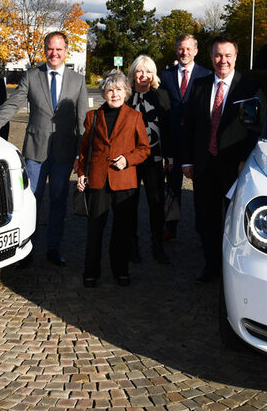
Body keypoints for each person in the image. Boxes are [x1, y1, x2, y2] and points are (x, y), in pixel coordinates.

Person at [0, 31, 89, 266]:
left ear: (66, 51)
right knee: (32, 200)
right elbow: (14, 103)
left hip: (63, 151)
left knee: (59, 200)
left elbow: (82, 120)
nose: (54, 53)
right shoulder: (32, 76)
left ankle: (53, 248)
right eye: (50, 48)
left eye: (59, 49)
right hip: (35, 151)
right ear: (45, 50)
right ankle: (26, 249)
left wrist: (82, 152)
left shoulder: (77, 80)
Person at [181, 36, 266, 282]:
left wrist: (245, 160)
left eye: (228, 55)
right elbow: (189, 126)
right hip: (204, 164)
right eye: (218, 55)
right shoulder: (199, 85)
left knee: (235, 219)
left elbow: (257, 127)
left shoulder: (250, 87)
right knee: (206, 218)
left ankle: (235, 270)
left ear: (236, 57)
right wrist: (187, 160)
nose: (223, 61)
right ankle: (212, 266)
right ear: (211, 57)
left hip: (235, 167)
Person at [76, 70, 150, 287]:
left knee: (123, 229)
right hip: (98, 179)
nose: (114, 94)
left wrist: (127, 160)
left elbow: (144, 149)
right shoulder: (93, 116)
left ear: (126, 92)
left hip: (124, 180)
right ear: (104, 92)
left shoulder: (135, 117)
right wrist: (81, 173)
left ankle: (121, 270)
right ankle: (91, 271)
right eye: (110, 90)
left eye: (118, 89)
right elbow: (84, 150)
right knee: (95, 228)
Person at [158, 34, 212, 241]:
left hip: (196, 143)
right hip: (172, 142)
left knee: (201, 191)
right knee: (172, 188)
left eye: (188, 49)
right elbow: (162, 110)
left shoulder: (206, 75)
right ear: (176, 49)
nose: (184, 52)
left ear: (196, 51)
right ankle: (171, 227)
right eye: (181, 48)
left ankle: (201, 231)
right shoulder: (165, 75)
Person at [126, 55, 171, 264]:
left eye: (148, 71)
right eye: (139, 71)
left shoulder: (161, 96)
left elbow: (168, 128)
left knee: (156, 202)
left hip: (154, 158)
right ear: (133, 73)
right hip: (129, 161)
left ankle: (157, 245)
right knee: (130, 204)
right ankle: (132, 245)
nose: (143, 76)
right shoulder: (125, 96)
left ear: (153, 75)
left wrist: (169, 157)